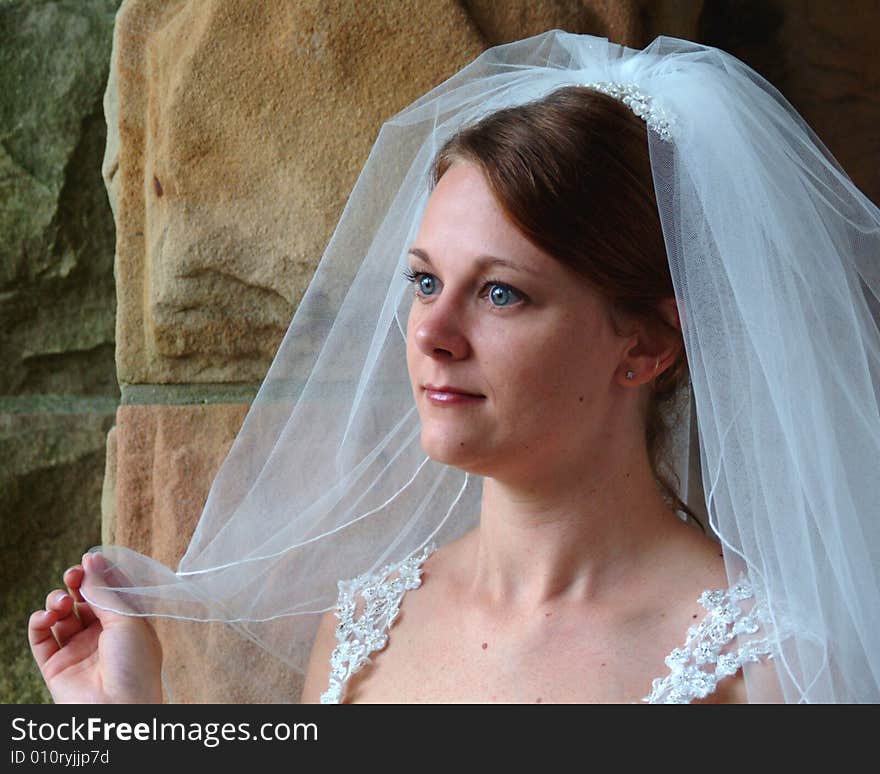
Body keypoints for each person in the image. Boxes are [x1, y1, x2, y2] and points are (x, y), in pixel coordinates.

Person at [28, 30, 880, 704]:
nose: (432, 331)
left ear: (648, 345)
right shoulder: (362, 630)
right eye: (426, 280)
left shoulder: (775, 667)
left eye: (501, 294)